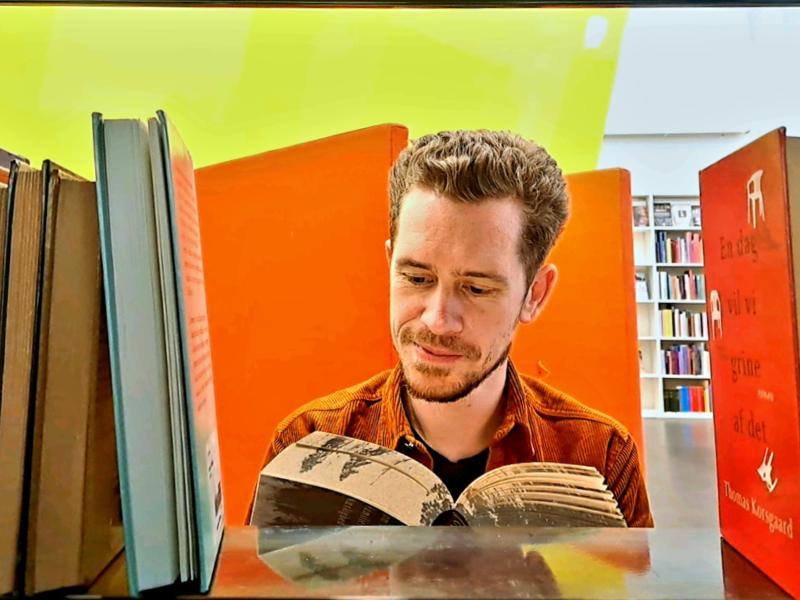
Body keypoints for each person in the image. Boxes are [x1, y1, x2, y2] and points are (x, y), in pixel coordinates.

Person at [253, 130, 654, 527]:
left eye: (476, 288)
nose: (437, 320)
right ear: (390, 265)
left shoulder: (602, 457)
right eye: (416, 278)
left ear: (534, 294)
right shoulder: (306, 442)